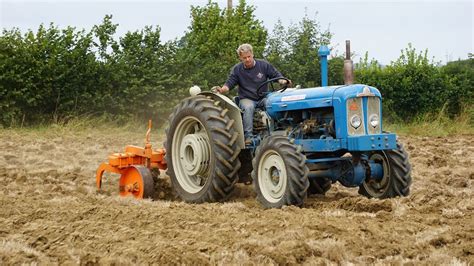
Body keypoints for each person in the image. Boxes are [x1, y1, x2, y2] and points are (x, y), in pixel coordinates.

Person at [215, 43, 290, 145]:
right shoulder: (237, 69)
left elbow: (276, 76)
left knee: (274, 103)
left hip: (263, 97)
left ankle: (281, 129)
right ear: (240, 58)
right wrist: (222, 90)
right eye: (244, 58)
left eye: (249, 56)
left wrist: (283, 81)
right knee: (248, 107)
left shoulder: (263, 65)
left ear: (252, 54)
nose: (247, 59)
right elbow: (229, 83)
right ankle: (248, 136)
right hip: (247, 98)